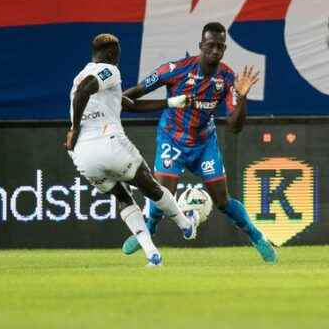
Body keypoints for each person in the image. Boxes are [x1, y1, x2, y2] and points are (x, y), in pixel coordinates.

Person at [120, 22, 277, 263]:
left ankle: (257, 237)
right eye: (211, 45)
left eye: (220, 47)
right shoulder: (174, 70)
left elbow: (235, 127)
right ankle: (149, 227)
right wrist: (113, 102)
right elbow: (134, 94)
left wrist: (242, 98)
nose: (215, 51)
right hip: (172, 138)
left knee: (223, 201)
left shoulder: (226, 78)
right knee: (162, 194)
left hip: (204, 143)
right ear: (201, 45)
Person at [66, 33, 199, 267]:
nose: (119, 56)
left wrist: (170, 103)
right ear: (109, 53)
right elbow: (85, 90)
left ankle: (152, 255)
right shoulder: (107, 70)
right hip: (106, 141)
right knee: (150, 186)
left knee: (122, 197)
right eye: (117, 51)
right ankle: (185, 224)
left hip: (82, 155)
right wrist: (75, 128)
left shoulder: (79, 77)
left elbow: (131, 105)